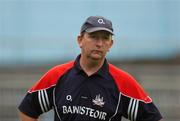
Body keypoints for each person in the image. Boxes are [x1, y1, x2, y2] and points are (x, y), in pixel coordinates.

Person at [18, 16, 162, 121]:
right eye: (93, 36)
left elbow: (152, 117)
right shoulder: (57, 76)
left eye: (105, 38)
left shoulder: (123, 82)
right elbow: (28, 110)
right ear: (80, 40)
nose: (99, 43)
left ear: (110, 44)